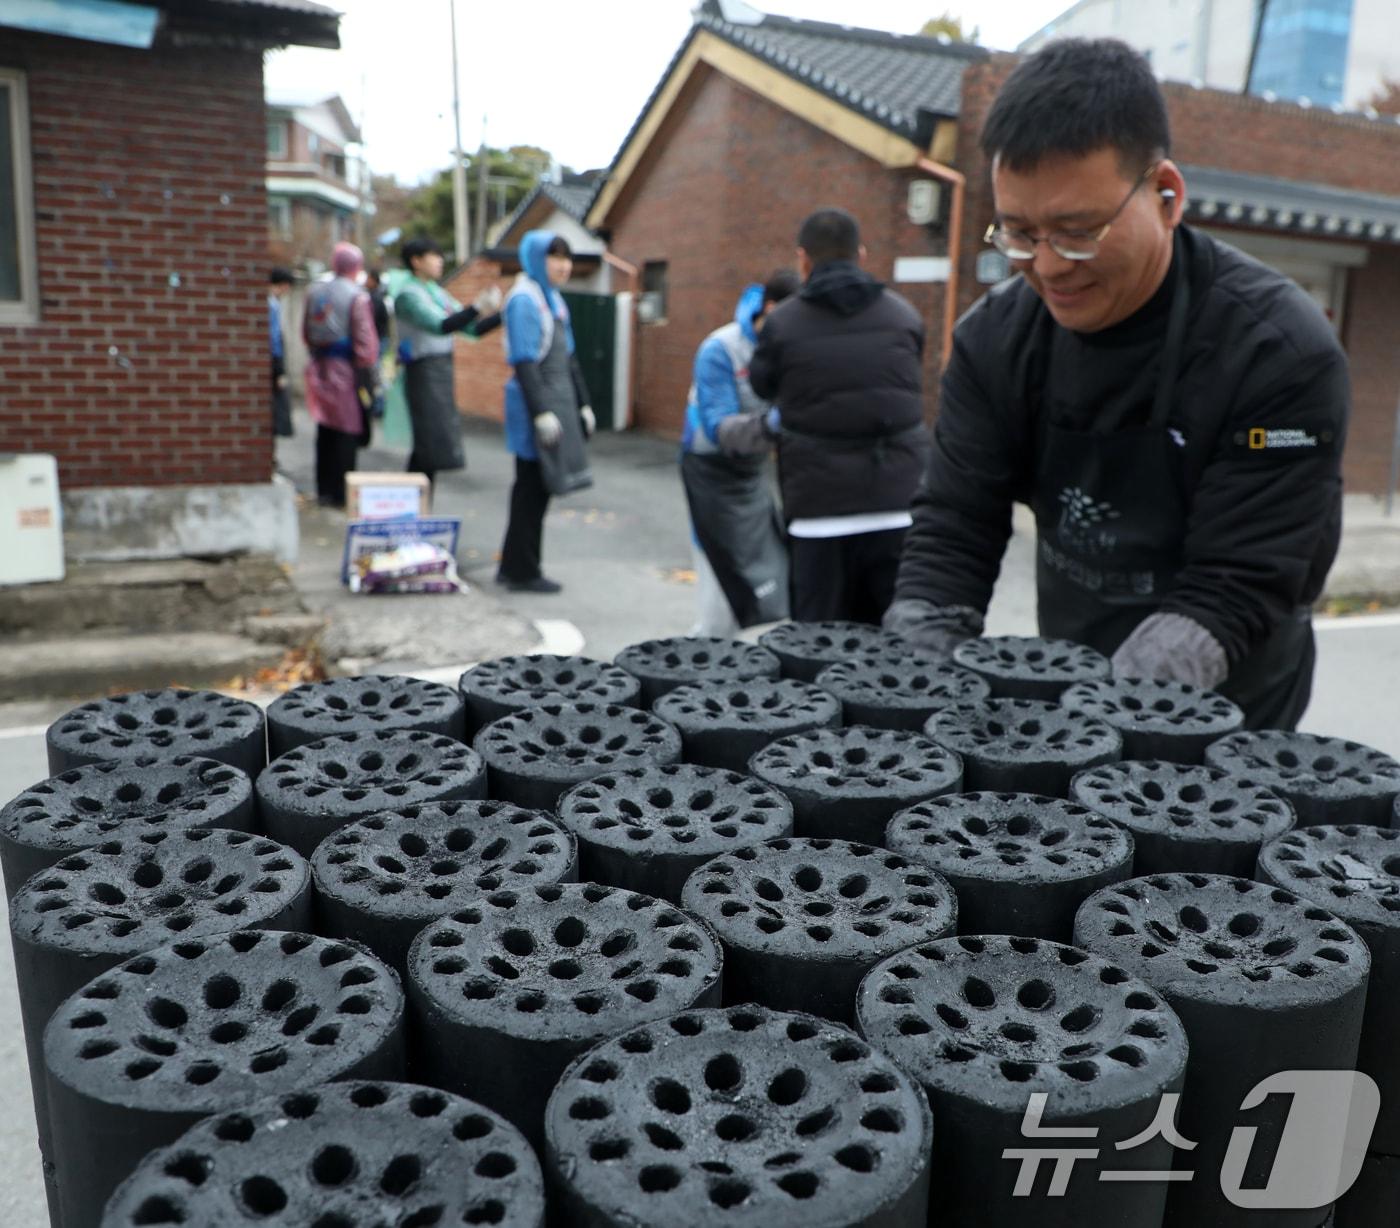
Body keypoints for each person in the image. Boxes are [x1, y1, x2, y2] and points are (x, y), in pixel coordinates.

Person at [885, 38, 1348, 731]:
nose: (1047, 267)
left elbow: (1238, 581)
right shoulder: (995, 342)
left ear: (1166, 195)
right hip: (1073, 650)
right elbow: (955, 527)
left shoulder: (1278, 351)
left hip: (1233, 698)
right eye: (1018, 233)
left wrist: (1102, 718)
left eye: (1077, 232)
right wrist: (917, 677)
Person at [748, 208, 930, 624]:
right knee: (892, 654)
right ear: (860, 255)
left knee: (818, 653)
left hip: (817, 513)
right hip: (898, 507)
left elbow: (762, 385)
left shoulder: (782, 324)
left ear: (803, 259)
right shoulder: (904, 316)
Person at [680, 270, 800, 635]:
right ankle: (687, 677)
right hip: (710, 473)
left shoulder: (789, 345)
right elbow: (719, 428)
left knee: (765, 592)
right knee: (720, 608)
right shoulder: (721, 349)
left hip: (752, 474)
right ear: (771, 307)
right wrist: (779, 423)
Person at [498, 230, 595, 594]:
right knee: (531, 487)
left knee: (538, 488)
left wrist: (583, 403)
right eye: (555, 257)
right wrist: (540, 411)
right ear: (536, 259)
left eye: (567, 258)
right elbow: (524, 361)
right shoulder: (524, 299)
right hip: (532, 403)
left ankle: (515, 566)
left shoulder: (552, 299)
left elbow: (569, 359)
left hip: (558, 402)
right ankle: (522, 570)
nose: (564, 265)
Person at [393, 237, 503, 485]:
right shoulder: (409, 295)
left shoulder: (436, 293)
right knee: (428, 442)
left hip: (440, 370)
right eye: (435, 255)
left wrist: (503, 314)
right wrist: (476, 307)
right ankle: (414, 508)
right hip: (422, 371)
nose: (441, 261)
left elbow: (471, 329)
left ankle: (419, 509)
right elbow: (440, 326)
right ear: (416, 261)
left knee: (432, 444)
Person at [301, 243, 377, 508]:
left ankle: (324, 488)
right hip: (345, 371)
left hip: (318, 368)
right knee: (347, 429)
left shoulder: (314, 291)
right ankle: (342, 493)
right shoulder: (357, 295)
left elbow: (306, 333)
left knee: (325, 427)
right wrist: (367, 369)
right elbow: (365, 342)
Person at [268, 267, 294, 438]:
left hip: (270, 361)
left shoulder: (270, 302)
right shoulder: (273, 304)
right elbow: (274, 337)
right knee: (276, 408)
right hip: (274, 362)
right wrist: (280, 370)